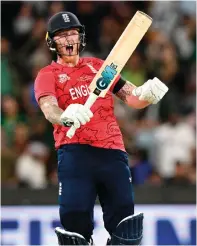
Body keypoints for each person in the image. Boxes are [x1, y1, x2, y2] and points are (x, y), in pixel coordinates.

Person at [34, 11, 168, 245]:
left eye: (73, 34)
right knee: (74, 231)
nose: (68, 40)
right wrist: (65, 116)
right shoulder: (47, 74)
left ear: (81, 37)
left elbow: (132, 98)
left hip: (112, 152)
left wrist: (146, 94)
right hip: (74, 153)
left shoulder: (100, 67)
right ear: (52, 42)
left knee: (126, 229)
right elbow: (49, 109)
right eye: (62, 35)